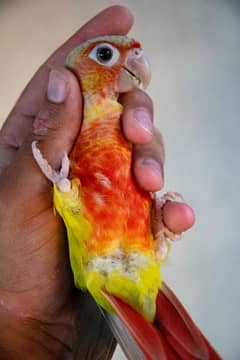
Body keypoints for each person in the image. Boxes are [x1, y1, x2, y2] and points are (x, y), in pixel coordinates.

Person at [0, 5, 195, 359]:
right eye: (106, 55)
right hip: (97, 272)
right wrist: (60, 185)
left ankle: (156, 236)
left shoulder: (121, 124)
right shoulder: (70, 136)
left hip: (137, 262)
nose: (135, 61)